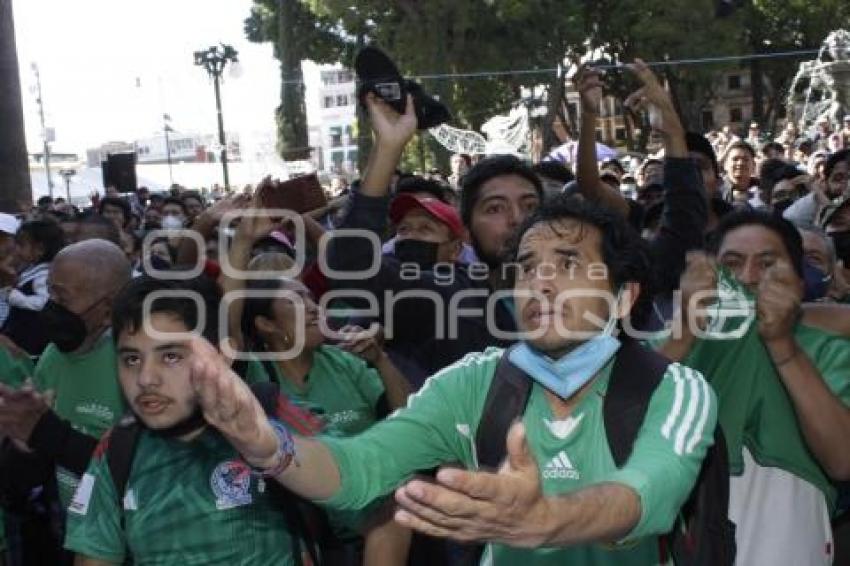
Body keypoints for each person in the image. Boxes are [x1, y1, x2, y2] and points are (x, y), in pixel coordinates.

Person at [181, 195, 718, 565]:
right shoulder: (472, 384)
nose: (542, 281)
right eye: (528, 267)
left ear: (623, 298)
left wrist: (546, 520)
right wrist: (267, 445)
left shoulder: (673, 389)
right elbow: (357, 468)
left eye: (569, 263)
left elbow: (649, 492)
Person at [63, 276, 323, 566]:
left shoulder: (281, 420)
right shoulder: (117, 448)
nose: (146, 378)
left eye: (171, 356)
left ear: (223, 356)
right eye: (132, 359)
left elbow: (380, 513)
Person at [658, 210, 850, 565]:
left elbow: (843, 460)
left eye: (767, 264)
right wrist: (684, 334)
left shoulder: (828, 349)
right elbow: (619, 433)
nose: (747, 278)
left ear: (799, 280)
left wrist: (783, 346)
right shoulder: (668, 343)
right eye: (730, 264)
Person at [1, 219, 65, 355]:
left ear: (40, 249)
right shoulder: (32, 269)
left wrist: (17, 298)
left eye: (21, 245)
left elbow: (44, 303)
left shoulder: (44, 275)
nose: (16, 250)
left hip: (31, 338)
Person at [722, 140, 757, 206]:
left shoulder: (763, 192)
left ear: (754, 165)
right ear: (725, 165)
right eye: (735, 159)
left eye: (746, 159)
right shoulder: (715, 193)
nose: (740, 163)